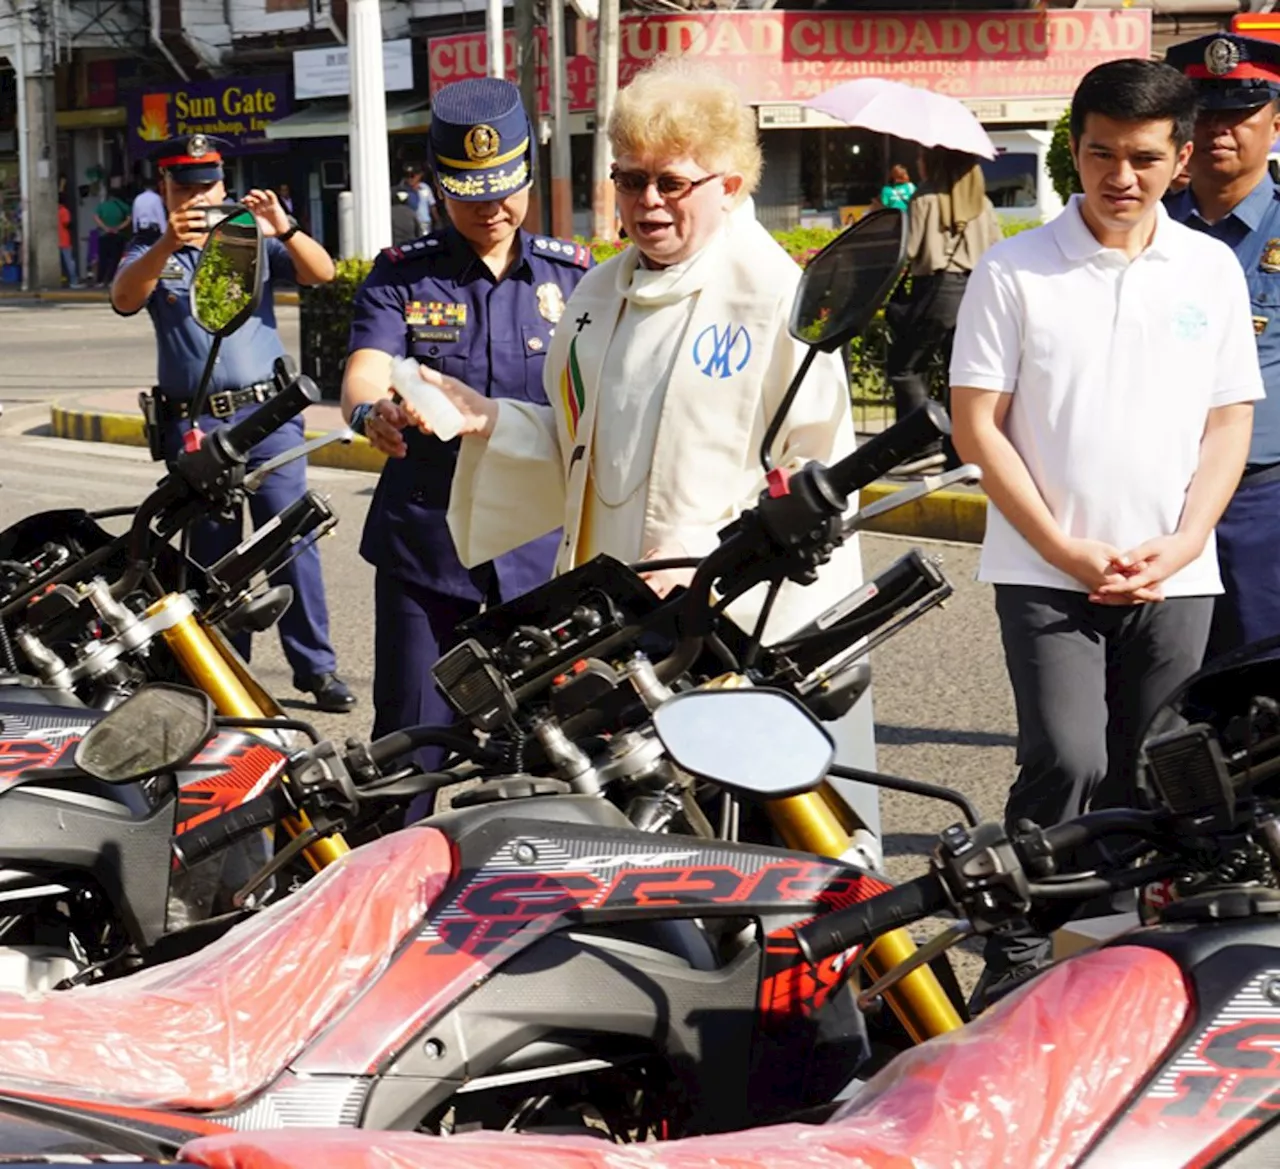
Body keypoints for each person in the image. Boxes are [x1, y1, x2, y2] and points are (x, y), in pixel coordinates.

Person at [404, 58, 883, 854]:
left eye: (672, 183)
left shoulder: (772, 295)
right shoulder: (598, 295)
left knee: (766, 851)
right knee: (642, 849)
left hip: (737, 630)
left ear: (729, 185)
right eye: (630, 181)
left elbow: (813, 472)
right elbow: (583, 452)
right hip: (622, 627)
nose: (647, 203)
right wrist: (491, 419)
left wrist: (714, 560)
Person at [950, 59, 1262, 1008]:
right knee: (1068, 756)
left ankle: (1122, 951)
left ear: (1176, 159)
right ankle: (1023, 929)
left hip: (1177, 571)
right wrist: (1064, 547)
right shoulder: (1014, 267)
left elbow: (1228, 424)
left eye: (1140, 158)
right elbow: (977, 423)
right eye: (1098, 155)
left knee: (1155, 766)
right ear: (1071, 151)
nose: (1118, 177)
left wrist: (1180, 541)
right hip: (1046, 570)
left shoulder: (1207, 267)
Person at [341, 79, 591, 776]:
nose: (492, 209)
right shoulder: (401, 277)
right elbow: (365, 369)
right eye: (470, 192)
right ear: (439, 187)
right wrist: (372, 412)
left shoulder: (576, 279)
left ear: (528, 177)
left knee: (552, 757)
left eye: (506, 187)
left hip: (541, 556)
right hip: (428, 554)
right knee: (410, 747)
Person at [111, 134, 356, 714]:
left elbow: (323, 274)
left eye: (208, 185)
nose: (199, 197)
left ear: (225, 185)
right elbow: (124, 298)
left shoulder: (248, 238)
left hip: (267, 415)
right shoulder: (151, 249)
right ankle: (223, 669)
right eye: (185, 187)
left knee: (291, 538)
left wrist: (285, 227)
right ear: (165, 190)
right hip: (195, 425)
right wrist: (169, 241)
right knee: (211, 553)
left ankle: (315, 670)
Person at [1165, 34, 1280, 659]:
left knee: (1264, 690)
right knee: (1162, 697)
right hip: (1156, 495)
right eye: (1204, 114)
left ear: (1275, 122)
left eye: (1239, 114)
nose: (1219, 130)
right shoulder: (1141, 230)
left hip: (1264, 502)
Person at [886, 147, 1001, 475]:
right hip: (975, 292)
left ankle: (922, 445)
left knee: (905, 368)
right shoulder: (982, 204)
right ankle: (958, 450)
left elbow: (907, 251)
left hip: (936, 291)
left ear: (935, 162)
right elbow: (997, 248)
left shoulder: (924, 199)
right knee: (959, 373)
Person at [93, 188, 131, 286]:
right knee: (115, 258)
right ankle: (111, 280)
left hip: (103, 234)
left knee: (103, 258)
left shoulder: (102, 205)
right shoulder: (123, 205)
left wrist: (105, 228)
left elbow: (96, 217)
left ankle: (100, 281)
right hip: (118, 235)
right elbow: (129, 219)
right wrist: (118, 227)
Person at [57, 199, 83, 289]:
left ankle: (62, 280)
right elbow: (66, 223)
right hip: (64, 239)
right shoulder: (64, 211)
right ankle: (73, 281)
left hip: (54, 240)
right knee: (69, 261)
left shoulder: (53, 211)